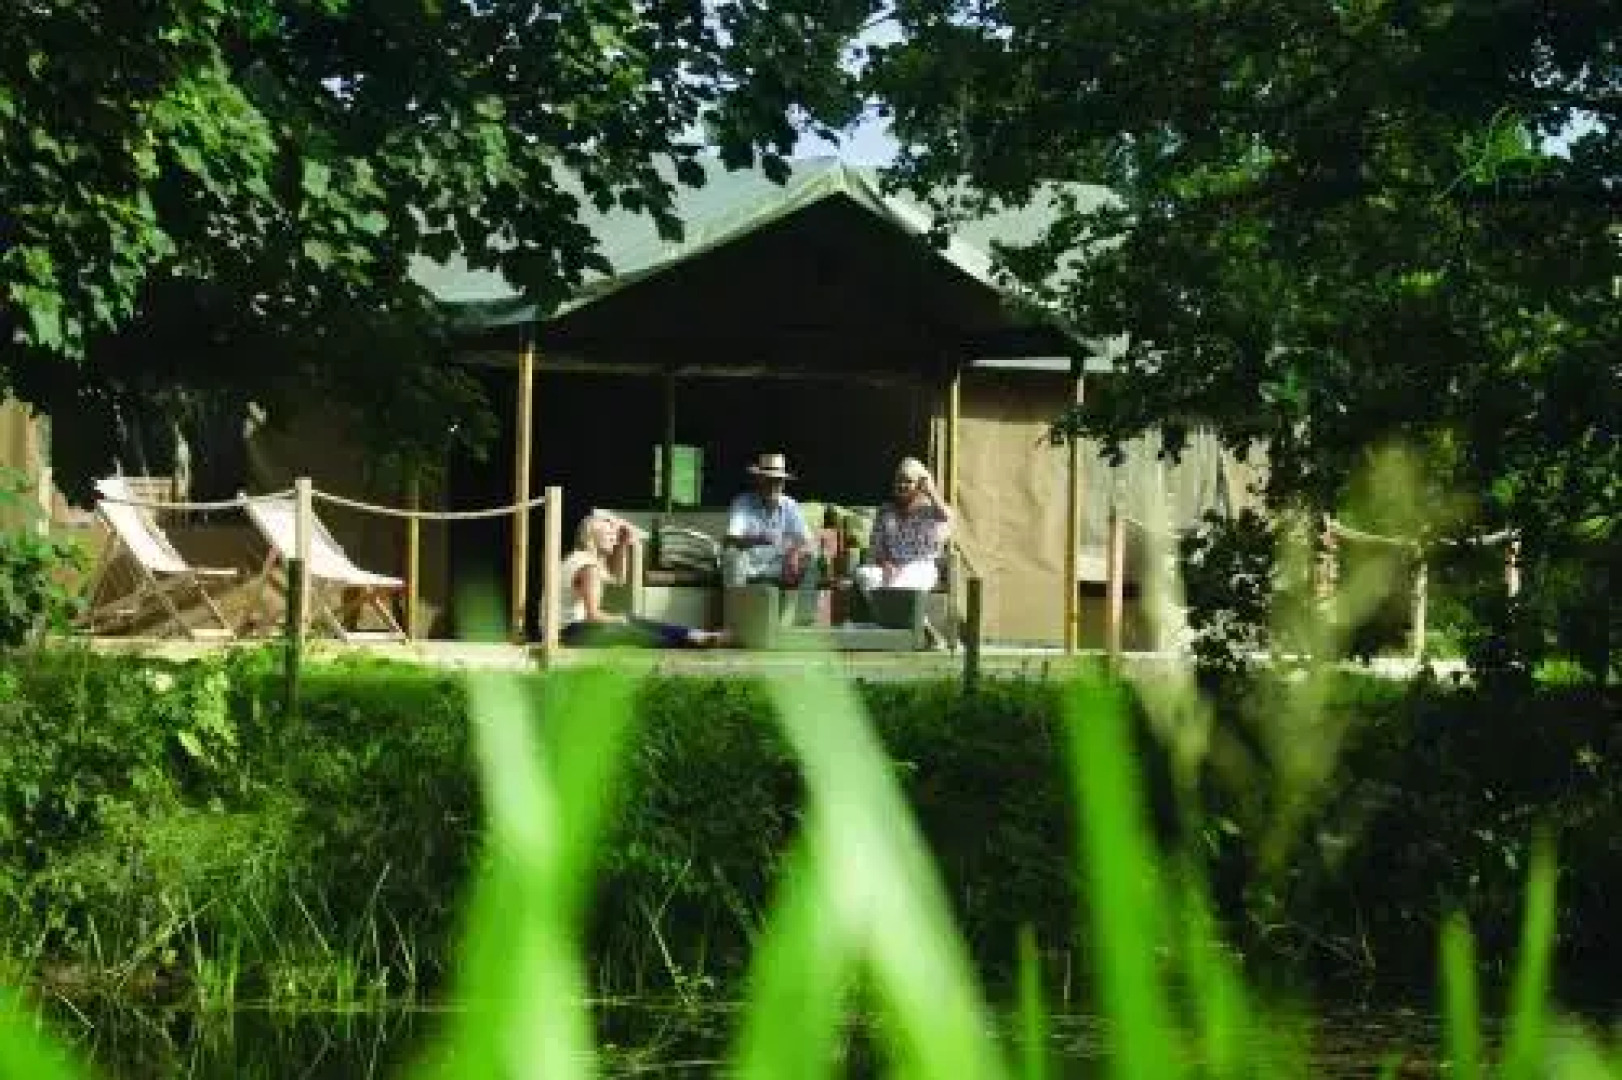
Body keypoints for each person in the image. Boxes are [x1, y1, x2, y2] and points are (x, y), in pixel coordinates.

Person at [558, 511, 727, 648]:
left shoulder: (580, 558)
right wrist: (619, 619)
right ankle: (691, 640)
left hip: (569, 630)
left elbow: (618, 579)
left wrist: (623, 545)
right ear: (593, 538)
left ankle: (693, 635)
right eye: (608, 534)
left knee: (630, 621)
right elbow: (593, 616)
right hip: (570, 633)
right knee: (632, 631)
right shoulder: (588, 567)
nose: (613, 538)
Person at [721, 451, 820, 621]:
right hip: (749, 564)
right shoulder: (743, 502)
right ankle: (735, 621)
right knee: (732, 556)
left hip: (780, 566)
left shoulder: (790, 505)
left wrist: (796, 553)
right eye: (769, 480)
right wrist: (759, 539)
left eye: (779, 480)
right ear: (759, 480)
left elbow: (809, 542)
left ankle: (803, 622)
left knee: (810, 561)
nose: (774, 485)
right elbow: (730, 540)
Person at [853, 457, 952, 594]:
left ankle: (900, 612)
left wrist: (931, 491)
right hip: (892, 567)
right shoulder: (885, 511)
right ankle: (891, 610)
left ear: (919, 485)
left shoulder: (930, 510)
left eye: (908, 481)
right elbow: (877, 547)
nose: (902, 485)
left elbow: (947, 517)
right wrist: (886, 565)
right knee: (863, 575)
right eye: (899, 480)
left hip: (920, 568)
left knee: (900, 584)